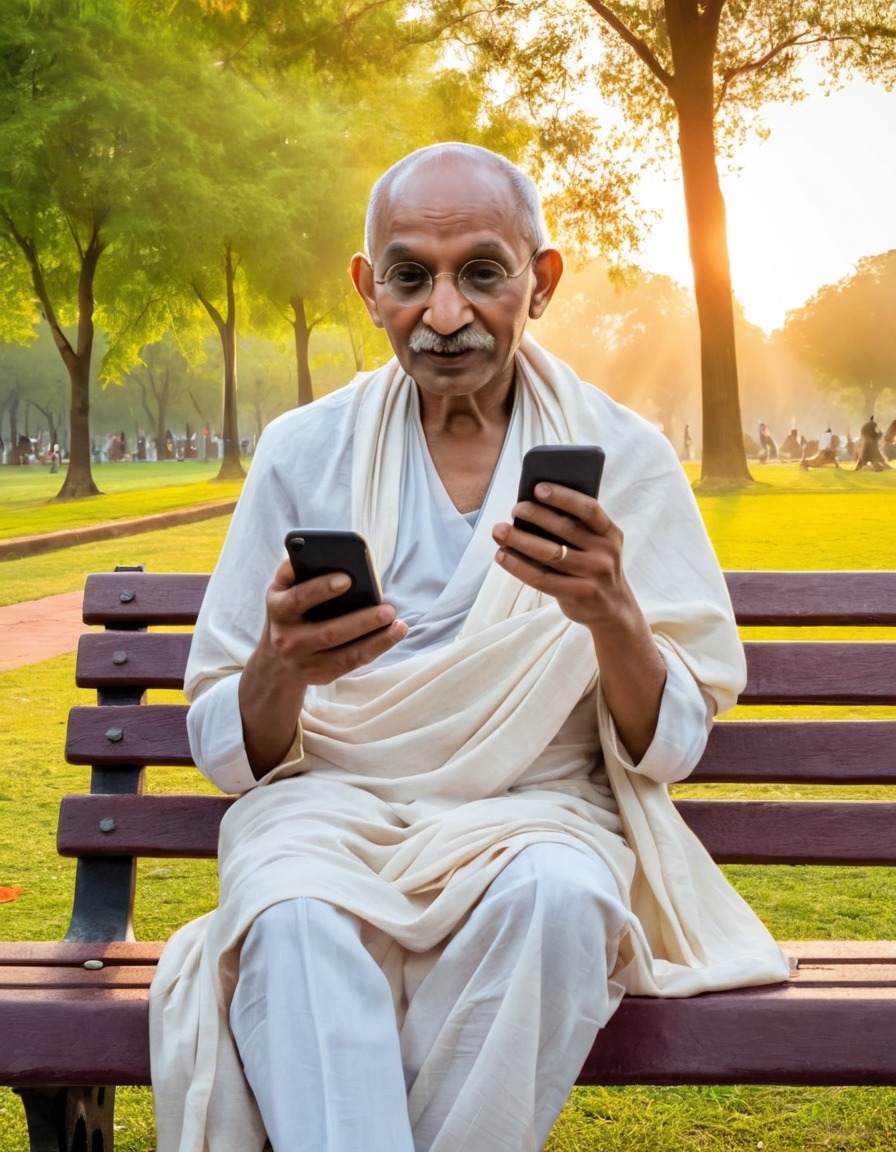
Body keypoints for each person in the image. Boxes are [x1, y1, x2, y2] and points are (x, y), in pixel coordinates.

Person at [149, 143, 788, 1152]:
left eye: (480, 273)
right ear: (369, 289)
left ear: (540, 280)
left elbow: (668, 748)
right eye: (410, 276)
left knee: (560, 898)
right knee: (295, 920)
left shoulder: (623, 456)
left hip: (537, 811)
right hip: (323, 810)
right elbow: (228, 753)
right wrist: (277, 668)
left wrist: (612, 612)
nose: (444, 315)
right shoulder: (301, 451)